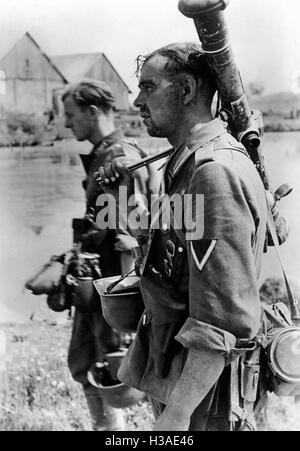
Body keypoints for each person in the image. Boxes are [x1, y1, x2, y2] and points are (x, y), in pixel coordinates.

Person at [96, 43, 268, 431]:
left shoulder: (213, 171)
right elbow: (167, 246)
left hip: (205, 399)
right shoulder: (188, 163)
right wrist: (123, 195)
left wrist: (176, 415)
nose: (138, 100)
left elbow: (222, 318)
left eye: (149, 87)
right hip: (186, 382)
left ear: (187, 89)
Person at [61, 79, 157, 431]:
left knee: (108, 369)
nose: (67, 124)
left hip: (114, 290)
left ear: (93, 111)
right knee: (88, 363)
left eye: (71, 115)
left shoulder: (118, 157)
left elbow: (135, 232)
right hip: (101, 285)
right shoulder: (109, 153)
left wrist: (127, 305)